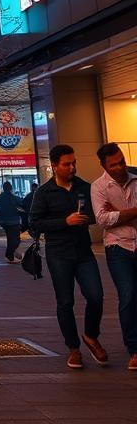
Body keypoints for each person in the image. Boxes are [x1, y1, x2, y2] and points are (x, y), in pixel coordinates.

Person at [29, 144, 105, 370]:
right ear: (54, 166)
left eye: (74, 163)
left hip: (83, 251)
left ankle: (91, 336)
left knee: (96, 297)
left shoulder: (84, 187)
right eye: (66, 164)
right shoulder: (43, 193)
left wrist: (88, 218)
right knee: (65, 302)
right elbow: (34, 224)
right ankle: (73, 349)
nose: (72, 167)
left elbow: (95, 213)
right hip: (58, 253)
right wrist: (65, 222)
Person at [91, 142, 137, 371]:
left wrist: (118, 214)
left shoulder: (136, 179)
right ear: (104, 166)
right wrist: (134, 213)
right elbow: (102, 220)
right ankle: (134, 350)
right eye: (114, 164)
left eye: (121, 161)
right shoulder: (98, 187)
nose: (119, 166)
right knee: (127, 295)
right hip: (117, 247)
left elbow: (111, 217)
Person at [0, 181, 24, 262]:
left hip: (4, 221)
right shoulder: (13, 197)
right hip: (13, 221)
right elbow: (22, 204)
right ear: (11, 188)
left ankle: (10, 254)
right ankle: (9, 254)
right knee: (15, 239)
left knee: (10, 238)